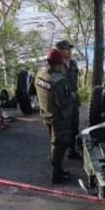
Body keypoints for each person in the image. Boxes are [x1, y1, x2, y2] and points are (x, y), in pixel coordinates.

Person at [35, 48, 76, 184]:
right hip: (59, 119)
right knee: (59, 146)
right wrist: (72, 96)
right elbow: (62, 103)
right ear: (58, 64)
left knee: (54, 144)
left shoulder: (39, 75)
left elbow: (33, 91)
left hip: (46, 115)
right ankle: (56, 174)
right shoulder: (59, 80)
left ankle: (58, 169)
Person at [56, 39, 82, 160]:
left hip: (73, 101)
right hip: (63, 102)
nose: (69, 51)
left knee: (74, 126)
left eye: (69, 48)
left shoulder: (73, 63)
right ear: (60, 51)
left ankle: (72, 150)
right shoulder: (57, 66)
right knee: (62, 130)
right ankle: (58, 155)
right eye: (67, 49)